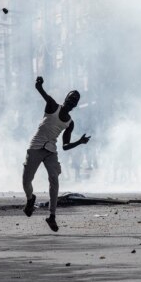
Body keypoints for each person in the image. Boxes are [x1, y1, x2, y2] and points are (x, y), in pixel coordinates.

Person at [22, 77, 90, 232]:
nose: (72, 101)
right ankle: (30, 199)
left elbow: (65, 146)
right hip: (36, 147)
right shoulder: (53, 105)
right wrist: (39, 84)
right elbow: (40, 90)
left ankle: (52, 216)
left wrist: (79, 142)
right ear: (66, 98)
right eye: (71, 98)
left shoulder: (70, 123)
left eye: (75, 100)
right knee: (27, 180)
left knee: (54, 180)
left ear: (76, 105)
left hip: (51, 151)